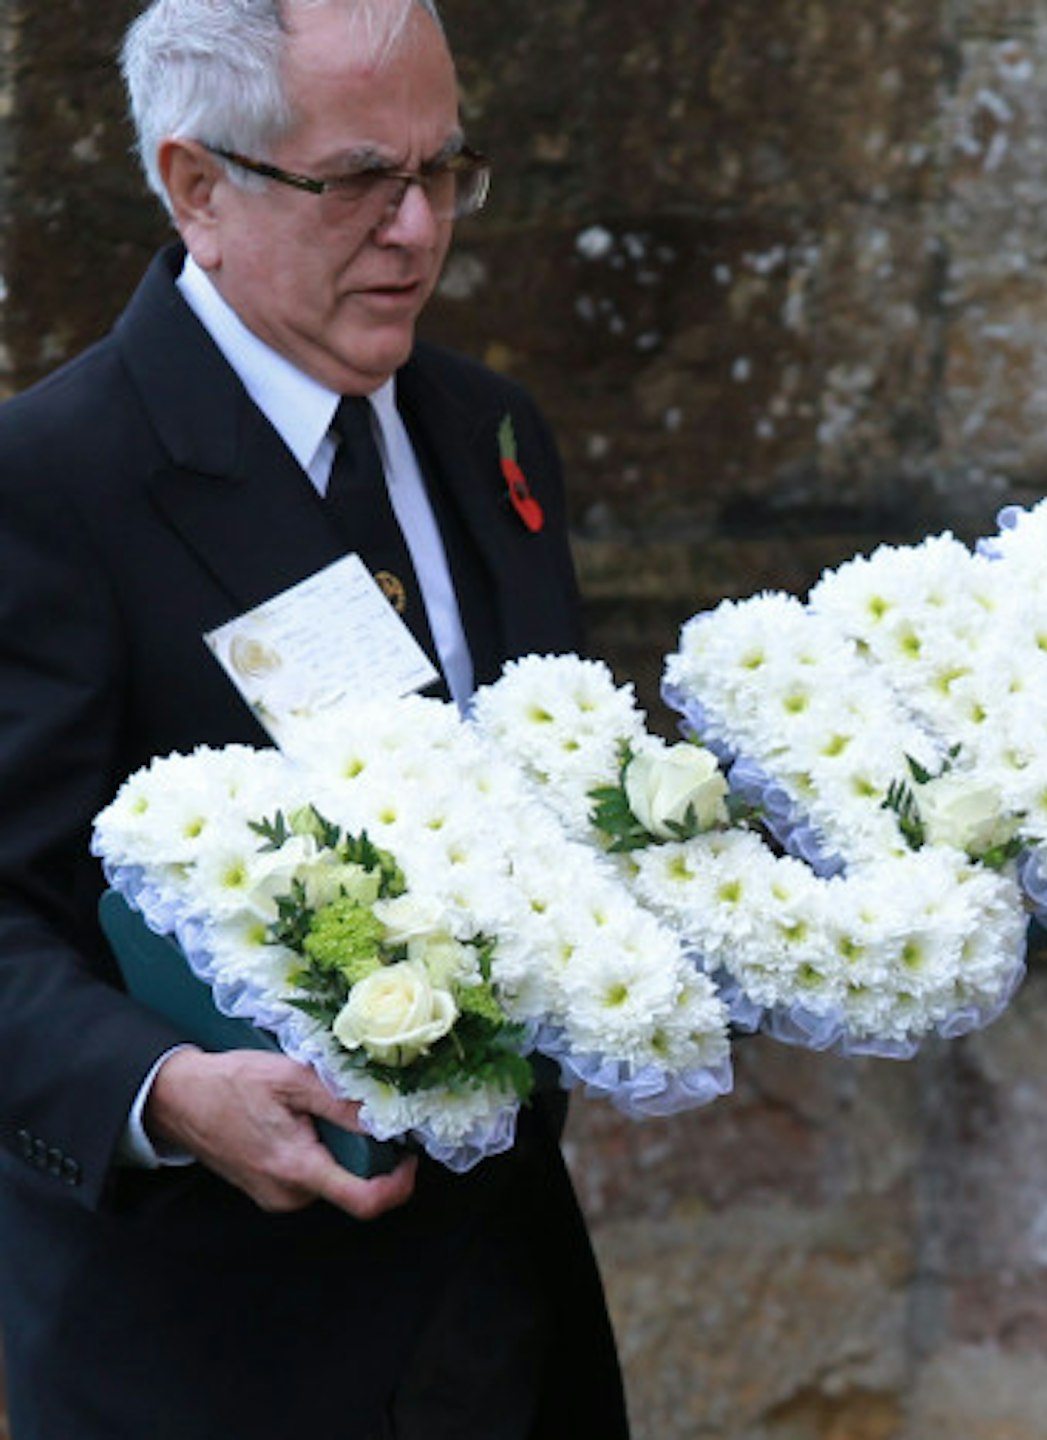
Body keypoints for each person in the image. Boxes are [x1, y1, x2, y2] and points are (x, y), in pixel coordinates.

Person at [0, 1, 630, 1435]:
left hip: (504, 1316)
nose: (419, 230)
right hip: (207, 1353)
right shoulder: (50, 480)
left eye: (445, 170)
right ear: (197, 186)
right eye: (358, 181)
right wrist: (163, 1090)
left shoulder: (489, 430)